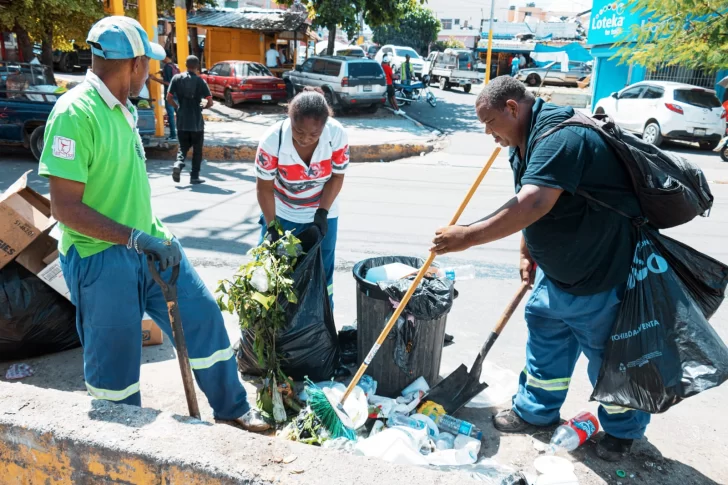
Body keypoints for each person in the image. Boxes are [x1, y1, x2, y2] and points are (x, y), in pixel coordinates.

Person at [38, 16, 269, 433]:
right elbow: (65, 208)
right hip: (100, 258)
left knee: (203, 318)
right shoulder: (75, 114)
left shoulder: (123, 106)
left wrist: (152, 235)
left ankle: (232, 408)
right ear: (133, 63)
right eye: (148, 63)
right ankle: (123, 444)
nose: (152, 72)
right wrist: (134, 237)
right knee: (116, 368)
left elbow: (125, 191)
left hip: (151, 245)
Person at [430, 76, 650, 462]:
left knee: (608, 358)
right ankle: (536, 411)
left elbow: (533, 204)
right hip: (556, 271)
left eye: (489, 122)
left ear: (512, 109)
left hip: (598, 273)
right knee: (545, 342)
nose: (487, 132)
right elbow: (529, 204)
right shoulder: (522, 140)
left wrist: (465, 237)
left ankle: (621, 432)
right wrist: (527, 252)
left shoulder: (561, 138)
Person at [255, 88, 349, 308]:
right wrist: (271, 227)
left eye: (314, 134)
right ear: (289, 119)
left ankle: (321, 327)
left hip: (322, 210)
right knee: (269, 274)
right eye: (299, 132)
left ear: (324, 126)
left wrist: (322, 213)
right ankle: (266, 328)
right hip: (282, 211)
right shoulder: (272, 140)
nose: (306, 139)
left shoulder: (336, 135)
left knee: (322, 273)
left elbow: (336, 176)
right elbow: (264, 188)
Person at [167, 55, 212, 185]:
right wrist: (203, 106)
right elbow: (210, 101)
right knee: (197, 150)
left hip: (182, 119)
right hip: (196, 121)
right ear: (197, 66)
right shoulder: (200, 81)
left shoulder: (176, 78)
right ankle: (194, 177)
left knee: (183, 147)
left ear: (185, 64)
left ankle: (178, 163)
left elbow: (169, 99)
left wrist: (177, 108)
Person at [149, 53, 179, 140]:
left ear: (165, 57)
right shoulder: (174, 66)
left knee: (170, 115)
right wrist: (162, 73)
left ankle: (173, 135)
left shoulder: (167, 67)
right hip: (177, 94)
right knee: (179, 115)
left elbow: (168, 83)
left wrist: (155, 79)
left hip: (170, 95)